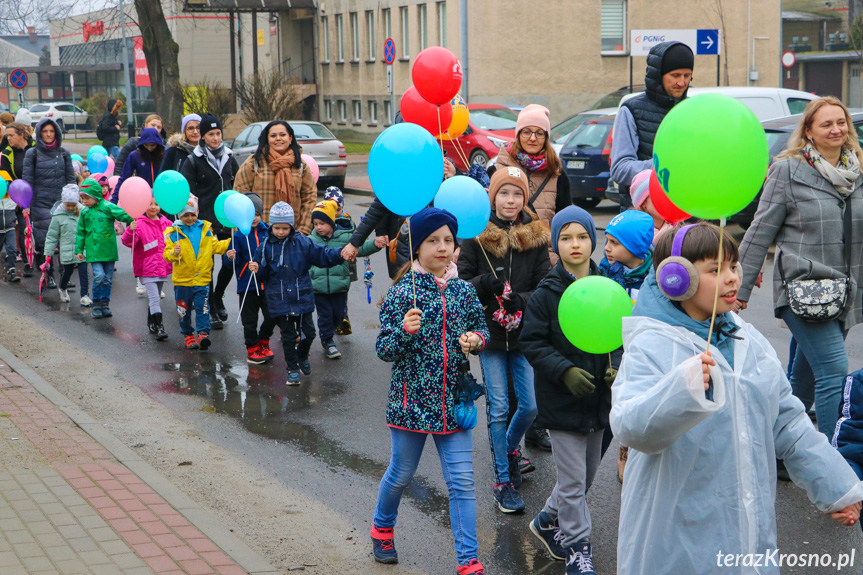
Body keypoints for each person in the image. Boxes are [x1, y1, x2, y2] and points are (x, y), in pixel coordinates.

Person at [611, 222, 863, 575]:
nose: (732, 278)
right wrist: (681, 391)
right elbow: (631, 427)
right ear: (676, 279)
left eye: (733, 266)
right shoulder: (653, 344)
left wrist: (838, 487)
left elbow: (788, 422)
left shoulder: (750, 341)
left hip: (747, 538)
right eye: (716, 270)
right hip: (674, 537)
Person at [369, 207, 489, 575]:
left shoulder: (465, 292)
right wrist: (404, 331)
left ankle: (468, 559)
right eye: (432, 240)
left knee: (462, 483)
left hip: (454, 403)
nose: (441, 247)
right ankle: (382, 527)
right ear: (417, 246)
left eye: (448, 241)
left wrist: (475, 340)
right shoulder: (403, 292)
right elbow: (384, 350)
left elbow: (482, 330)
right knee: (401, 473)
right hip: (410, 405)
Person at [737, 96, 863, 439]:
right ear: (808, 131)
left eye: (841, 122)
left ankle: (778, 450)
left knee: (805, 381)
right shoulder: (788, 172)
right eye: (826, 123)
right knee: (834, 372)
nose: (836, 129)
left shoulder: (858, 171)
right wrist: (740, 288)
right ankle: (832, 464)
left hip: (847, 293)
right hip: (805, 290)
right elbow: (758, 233)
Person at [519, 206, 620, 573]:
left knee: (585, 477)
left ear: (592, 242)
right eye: (565, 238)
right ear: (555, 244)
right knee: (575, 482)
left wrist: (617, 367)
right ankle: (578, 548)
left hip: (598, 402)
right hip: (561, 402)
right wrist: (564, 372)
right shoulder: (547, 292)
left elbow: (621, 334)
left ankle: (547, 520)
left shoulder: (608, 285)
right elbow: (532, 342)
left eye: (581, 237)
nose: (574, 244)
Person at [457, 166, 550, 513]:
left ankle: (508, 447)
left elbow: (544, 284)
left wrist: (520, 300)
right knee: (498, 407)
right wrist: (485, 285)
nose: (510, 201)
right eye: (503, 193)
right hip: (490, 336)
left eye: (517, 194)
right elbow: (461, 284)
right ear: (492, 196)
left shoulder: (536, 235)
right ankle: (502, 481)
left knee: (528, 406)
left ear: (525, 198)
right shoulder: (476, 233)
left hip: (523, 334)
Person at [247, 202, 344, 384]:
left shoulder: (302, 241)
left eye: (285, 228)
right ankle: (292, 368)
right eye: (277, 228)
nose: (281, 232)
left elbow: (322, 255)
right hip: (279, 299)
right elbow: (263, 276)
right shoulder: (266, 245)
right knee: (289, 336)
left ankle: (302, 356)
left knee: (309, 334)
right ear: (271, 226)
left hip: (302, 297)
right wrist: (257, 269)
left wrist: (340, 254)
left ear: (291, 226)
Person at [597, 209, 654, 483]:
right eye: (607, 240)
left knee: (640, 404)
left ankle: (628, 449)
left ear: (634, 247)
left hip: (646, 349)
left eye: (615, 243)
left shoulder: (656, 276)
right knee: (616, 404)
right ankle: (617, 446)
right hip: (616, 348)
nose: (607, 248)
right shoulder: (607, 269)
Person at [611, 41, 693, 209]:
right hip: (645, 217)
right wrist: (664, 166)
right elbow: (620, 169)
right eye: (676, 75)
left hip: (689, 214)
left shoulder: (694, 110)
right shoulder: (632, 110)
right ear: (658, 75)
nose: (682, 82)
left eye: (687, 75)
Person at [180, 113, 239, 329]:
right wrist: (192, 218)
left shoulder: (230, 157)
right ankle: (211, 309)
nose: (215, 138)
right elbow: (189, 192)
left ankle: (218, 296)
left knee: (231, 262)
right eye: (210, 134)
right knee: (208, 266)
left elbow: (238, 186)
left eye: (218, 133)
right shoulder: (193, 160)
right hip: (204, 222)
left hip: (228, 221)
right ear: (203, 137)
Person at [309, 199, 384, 359]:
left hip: (340, 285)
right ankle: (327, 341)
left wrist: (375, 244)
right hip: (318, 286)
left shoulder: (344, 237)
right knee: (325, 315)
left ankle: (331, 331)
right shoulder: (311, 240)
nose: (318, 227)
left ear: (331, 222)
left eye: (322, 223)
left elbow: (361, 248)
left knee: (338, 315)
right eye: (315, 224)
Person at [164, 194, 234, 350]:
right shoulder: (174, 232)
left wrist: (232, 241)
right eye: (186, 215)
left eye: (192, 215)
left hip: (202, 279)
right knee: (184, 309)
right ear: (180, 215)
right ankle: (188, 334)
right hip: (183, 280)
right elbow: (166, 255)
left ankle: (203, 333)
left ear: (197, 213)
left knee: (203, 308)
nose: (189, 218)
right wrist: (174, 253)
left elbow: (216, 246)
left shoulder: (206, 230)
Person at [489, 105, 571, 236]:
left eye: (539, 133)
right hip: (504, 252)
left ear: (546, 137)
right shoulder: (497, 170)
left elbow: (566, 222)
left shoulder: (557, 174)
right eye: (526, 132)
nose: (533, 138)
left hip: (546, 252)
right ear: (518, 134)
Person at [233, 120, 317, 235]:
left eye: (282, 135)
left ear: (290, 138)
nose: (278, 138)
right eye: (273, 135)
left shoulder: (300, 165)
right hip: (259, 234)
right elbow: (239, 199)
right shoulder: (254, 163)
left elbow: (309, 198)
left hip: (292, 234)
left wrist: (303, 230)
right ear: (267, 139)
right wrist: (240, 234)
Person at [22, 118, 76, 288]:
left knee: (65, 239)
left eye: (51, 131)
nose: (48, 134)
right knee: (46, 239)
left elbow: (71, 179)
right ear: (39, 134)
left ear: (57, 133)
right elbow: (27, 180)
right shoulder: (33, 153)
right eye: (45, 131)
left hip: (62, 202)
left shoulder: (64, 153)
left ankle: (64, 277)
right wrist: (26, 204)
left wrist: (75, 200)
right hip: (40, 203)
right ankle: (49, 274)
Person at [224, 193, 276, 364]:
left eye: (257, 214)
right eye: (250, 214)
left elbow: (273, 254)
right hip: (247, 285)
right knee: (249, 320)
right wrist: (231, 256)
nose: (254, 218)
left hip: (266, 283)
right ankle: (252, 348)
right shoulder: (238, 236)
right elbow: (231, 262)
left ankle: (263, 340)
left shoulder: (268, 232)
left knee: (272, 315)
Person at [75, 178, 133, 319]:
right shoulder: (85, 212)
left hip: (109, 249)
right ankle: (96, 303)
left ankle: (105, 304)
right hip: (94, 251)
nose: (83, 202)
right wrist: (79, 250)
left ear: (95, 195)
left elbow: (122, 214)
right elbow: (81, 232)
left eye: (86, 198)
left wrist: (133, 219)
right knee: (99, 276)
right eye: (82, 198)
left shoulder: (108, 207)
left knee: (107, 278)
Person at [122, 197, 173, 340]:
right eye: (149, 204)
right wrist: (129, 231)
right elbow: (127, 242)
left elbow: (174, 239)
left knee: (155, 296)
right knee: (155, 297)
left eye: (156, 204)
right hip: (147, 267)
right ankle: (160, 327)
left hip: (162, 266)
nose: (153, 207)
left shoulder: (167, 223)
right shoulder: (138, 224)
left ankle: (151, 322)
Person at [44, 185, 88, 303]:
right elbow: (52, 236)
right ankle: (63, 288)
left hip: (81, 248)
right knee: (67, 272)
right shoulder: (58, 216)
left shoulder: (83, 212)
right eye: (68, 205)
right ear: (63, 202)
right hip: (67, 250)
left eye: (73, 205)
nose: (70, 208)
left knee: (84, 271)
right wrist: (48, 252)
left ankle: (85, 295)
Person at [0, 122, 34, 278]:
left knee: (40, 230)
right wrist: (18, 195)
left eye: (11, 135)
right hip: (20, 196)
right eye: (7, 135)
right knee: (23, 229)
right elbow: (6, 176)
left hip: (38, 194)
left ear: (22, 134)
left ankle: (42, 261)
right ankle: (27, 262)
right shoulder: (6, 153)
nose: (9, 139)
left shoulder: (34, 147)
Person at [112, 127, 165, 203]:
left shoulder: (164, 154)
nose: (149, 148)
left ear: (157, 144)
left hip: (161, 195)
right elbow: (124, 178)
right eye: (146, 145)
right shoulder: (134, 155)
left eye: (152, 145)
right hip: (142, 196)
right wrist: (114, 200)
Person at [629, 169, 674, 241]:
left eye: (668, 193)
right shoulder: (637, 235)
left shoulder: (680, 227)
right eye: (660, 195)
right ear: (643, 203)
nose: (668, 199)